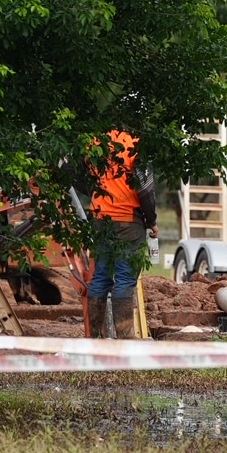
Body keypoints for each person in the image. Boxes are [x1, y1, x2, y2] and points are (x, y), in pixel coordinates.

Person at [86, 130, 155, 338]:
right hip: (128, 221)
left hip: (99, 219)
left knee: (100, 277)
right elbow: (145, 190)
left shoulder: (95, 142)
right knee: (125, 278)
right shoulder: (135, 145)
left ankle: (95, 336)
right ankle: (125, 337)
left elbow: (79, 173)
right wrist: (151, 220)